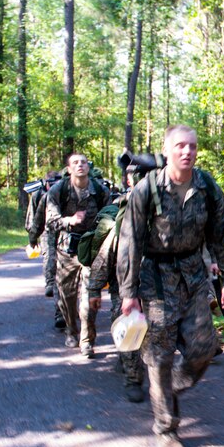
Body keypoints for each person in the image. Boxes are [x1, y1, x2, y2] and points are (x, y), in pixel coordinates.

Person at [117, 125, 224, 447]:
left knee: (203, 347)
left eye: (193, 146)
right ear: (166, 151)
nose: (188, 152)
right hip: (155, 278)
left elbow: (220, 237)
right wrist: (128, 292)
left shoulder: (208, 187)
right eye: (181, 146)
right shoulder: (147, 190)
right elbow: (130, 243)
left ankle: (169, 386)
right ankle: (166, 427)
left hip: (194, 275)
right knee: (159, 356)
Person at [87, 165, 145, 403]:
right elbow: (105, 256)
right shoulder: (122, 215)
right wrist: (93, 289)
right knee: (129, 328)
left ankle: (136, 365)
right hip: (122, 285)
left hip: (157, 283)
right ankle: (133, 378)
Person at [46, 154, 110, 355]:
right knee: (67, 296)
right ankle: (71, 331)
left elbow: (111, 213)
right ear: (69, 169)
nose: (80, 165)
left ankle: (87, 340)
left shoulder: (100, 190)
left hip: (91, 250)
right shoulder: (59, 190)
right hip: (67, 250)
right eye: (75, 163)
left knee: (89, 296)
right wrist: (69, 221)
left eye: (83, 162)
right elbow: (50, 220)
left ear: (88, 167)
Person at [27, 170, 65, 329]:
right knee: (51, 260)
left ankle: (65, 312)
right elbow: (34, 216)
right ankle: (59, 310)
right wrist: (32, 236)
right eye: (51, 182)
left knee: (67, 275)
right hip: (47, 232)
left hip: (67, 234)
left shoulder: (67, 192)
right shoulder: (40, 195)